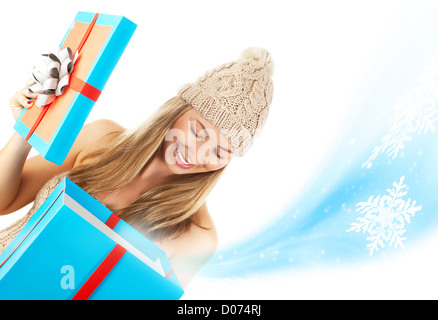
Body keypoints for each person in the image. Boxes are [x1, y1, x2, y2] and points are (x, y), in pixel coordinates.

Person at [0, 47, 274, 288]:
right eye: (198, 131)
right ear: (176, 110)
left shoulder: (197, 236)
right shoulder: (102, 137)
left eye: (219, 151)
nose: (198, 153)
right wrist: (27, 130)